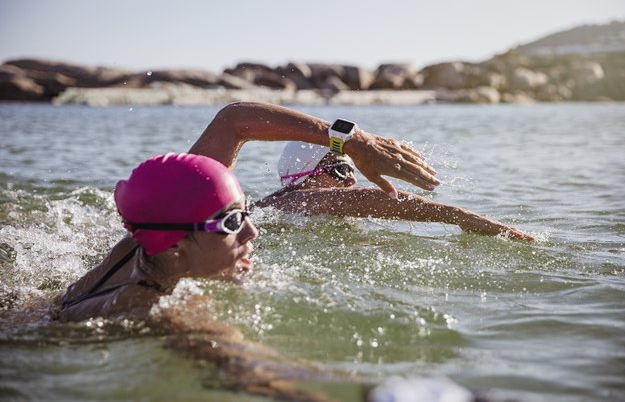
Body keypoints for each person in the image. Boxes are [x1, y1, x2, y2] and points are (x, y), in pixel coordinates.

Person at [55, 102, 441, 322]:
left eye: (243, 213)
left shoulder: (146, 237)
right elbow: (250, 372)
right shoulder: (152, 308)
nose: (252, 232)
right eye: (231, 221)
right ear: (175, 248)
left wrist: (353, 140)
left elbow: (233, 121)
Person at [256, 141, 534, 240]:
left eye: (352, 171)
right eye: (340, 171)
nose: (351, 182)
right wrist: (458, 216)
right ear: (305, 177)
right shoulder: (290, 201)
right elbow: (369, 198)